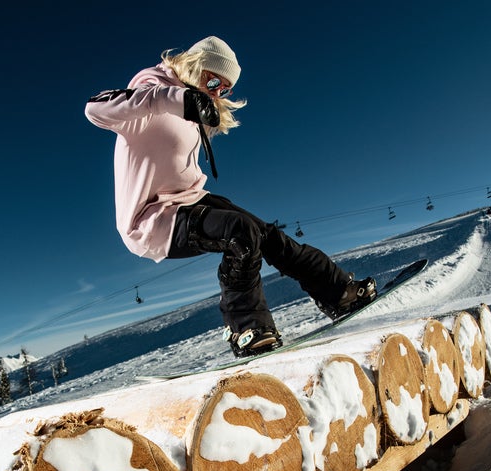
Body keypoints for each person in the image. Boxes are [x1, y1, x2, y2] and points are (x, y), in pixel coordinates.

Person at [85, 36, 375, 357]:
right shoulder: (151, 89)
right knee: (240, 233)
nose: (216, 92)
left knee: (267, 236)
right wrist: (173, 98)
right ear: (194, 67)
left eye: (225, 89)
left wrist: (195, 104)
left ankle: (338, 293)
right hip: (151, 220)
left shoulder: (198, 108)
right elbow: (95, 108)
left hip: (190, 199)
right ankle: (247, 329)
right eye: (212, 81)